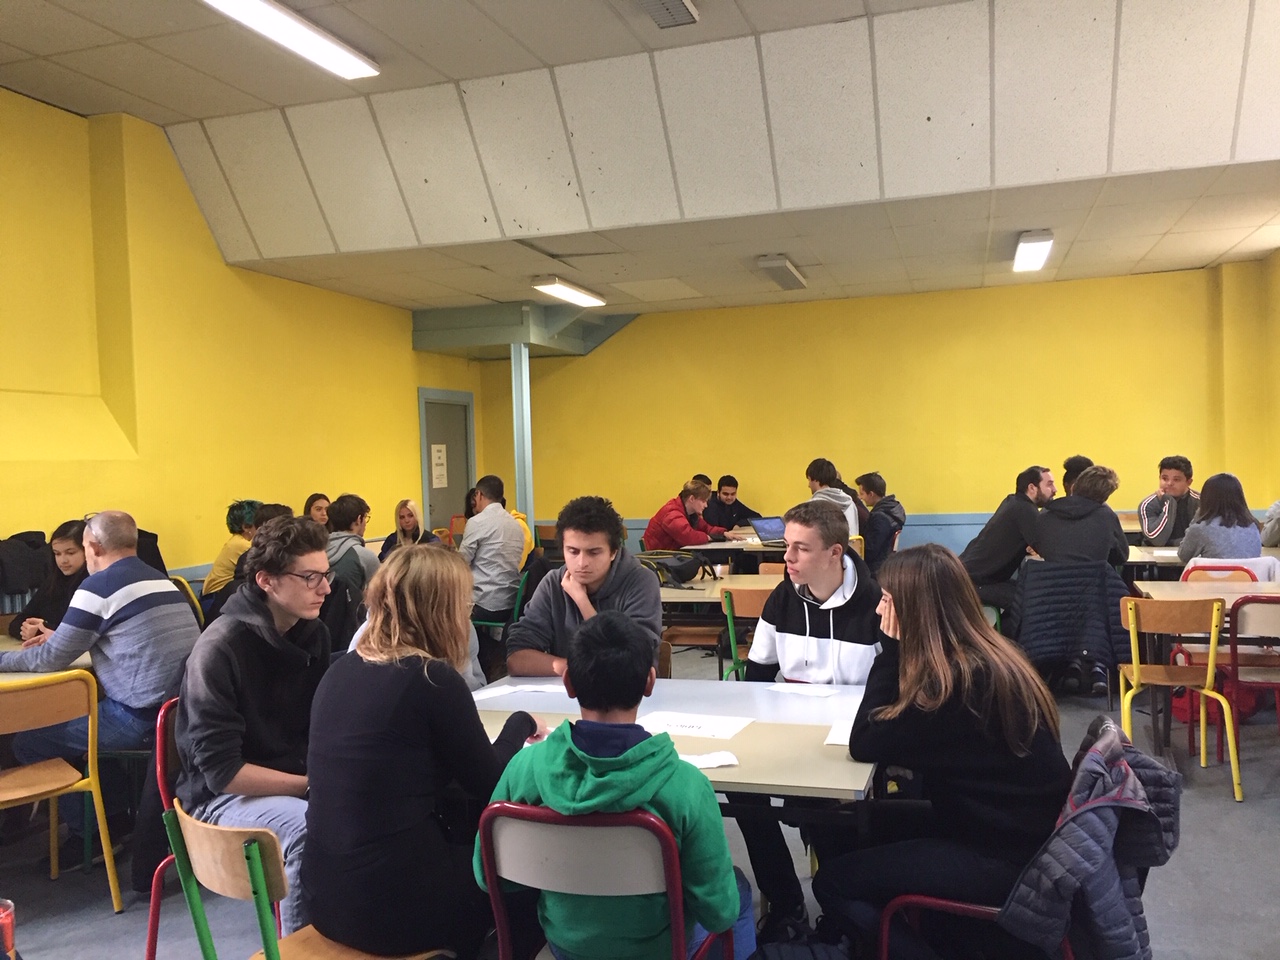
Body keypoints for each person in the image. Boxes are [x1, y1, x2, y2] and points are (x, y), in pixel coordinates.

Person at [812, 544, 1072, 960]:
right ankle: (874, 935)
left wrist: (891, 650)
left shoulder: (957, 687)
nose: (879, 612)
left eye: (886, 602)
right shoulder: (987, 655)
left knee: (833, 882)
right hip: (1013, 830)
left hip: (1001, 857)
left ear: (913, 612)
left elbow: (866, 740)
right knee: (839, 824)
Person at [476, 610, 755, 960]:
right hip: (660, 949)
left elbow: (488, 876)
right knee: (740, 893)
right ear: (650, 682)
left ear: (569, 684)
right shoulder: (687, 786)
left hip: (568, 944)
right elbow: (719, 912)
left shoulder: (524, 768)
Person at [305, 546, 540, 958]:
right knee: (530, 880)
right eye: (464, 603)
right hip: (393, 907)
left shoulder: (339, 669)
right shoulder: (432, 679)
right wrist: (521, 724)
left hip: (324, 896)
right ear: (443, 610)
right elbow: (492, 785)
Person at [0, 511, 199, 860]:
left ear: (91, 546)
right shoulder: (162, 581)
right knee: (84, 728)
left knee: (30, 741)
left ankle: (86, 836)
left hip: (140, 719)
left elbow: (48, 660)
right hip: (181, 715)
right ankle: (116, 820)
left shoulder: (99, 586)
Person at [175, 516, 333, 936]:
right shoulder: (219, 648)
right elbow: (222, 773)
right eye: (310, 577)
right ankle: (301, 948)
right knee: (309, 830)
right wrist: (309, 784)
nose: (326, 588)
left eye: (326, 574)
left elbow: (318, 726)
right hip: (220, 799)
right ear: (266, 581)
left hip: (293, 781)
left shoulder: (312, 633)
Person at [733, 500, 882, 943]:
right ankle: (784, 901)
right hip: (794, 733)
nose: (787, 558)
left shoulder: (875, 603)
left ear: (835, 553)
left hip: (856, 740)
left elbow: (893, 691)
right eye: (787, 547)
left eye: (801, 549)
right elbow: (757, 675)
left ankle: (842, 910)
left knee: (830, 809)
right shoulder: (783, 597)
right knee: (743, 793)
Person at [507, 496, 662, 677]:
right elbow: (516, 658)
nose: (581, 563)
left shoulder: (641, 582)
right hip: (569, 695)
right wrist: (575, 670)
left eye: (593, 552)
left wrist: (582, 601)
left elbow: (632, 662)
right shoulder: (552, 584)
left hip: (630, 698)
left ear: (613, 552)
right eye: (572, 551)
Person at [959, 466, 1055, 613]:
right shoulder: (1025, 510)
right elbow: (1047, 548)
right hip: (975, 583)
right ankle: (1003, 635)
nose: (1054, 489)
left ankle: (1003, 634)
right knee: (1032, 602)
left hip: (967, 577)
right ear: (1032, 488)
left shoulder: (1013, 502)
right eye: (1049, 484)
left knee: (1026, 593)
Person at [458, 474, 526, 625]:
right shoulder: (517, 525)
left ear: (478, 494)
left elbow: (460, 563)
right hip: (511, 605)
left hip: (483, 604)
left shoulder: (477, 522)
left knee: (442, 609)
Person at [7, 519, 88, 642]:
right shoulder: (53, 581)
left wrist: (44, 629)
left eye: (70, 553)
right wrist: (27, 629)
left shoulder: (93, 583)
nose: (63, 560)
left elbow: (84, 630)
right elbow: (18, 622)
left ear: (87, 551)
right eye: (57, 554)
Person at [1034, 465, 1129, 567]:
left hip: (1052, 580)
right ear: (1104, 498)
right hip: (1093, 580)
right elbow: (1121, 557)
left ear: (1073, 487)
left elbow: (1041, 549)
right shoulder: (1107, 517)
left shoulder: (1046, 516)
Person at [1177, 473, 1263, 562]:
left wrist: (1198, 516)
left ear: (1206, 498)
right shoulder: (1253, 526)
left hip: (1214, 575)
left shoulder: (1201, 529)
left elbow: (1183, 555)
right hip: (1249, 575)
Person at [644, 479, 746, 551]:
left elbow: (706, 528)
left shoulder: (689, 513)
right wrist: (712, 537)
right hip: (660, 558)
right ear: (692, 499)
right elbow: (689, 537)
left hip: (671, 555)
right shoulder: (672, 513)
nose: (706, 505)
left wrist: (723, 533)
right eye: (703, 501)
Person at [203, 499, 262, 597]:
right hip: (217, 598)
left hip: (217, 595)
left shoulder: (236, 541)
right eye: (260, 524)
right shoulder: (242, 545)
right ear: (246, 527)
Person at [1138, 456, 1199, 546]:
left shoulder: (1201, 503)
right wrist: (1169, 503)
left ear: (1189, 482)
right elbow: (1157, 540)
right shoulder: (1147, 504)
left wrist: (1173, 543)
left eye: (1176, 480)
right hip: (1154, 556)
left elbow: (1204, 538)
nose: (1169, 483)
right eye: (1165, 478)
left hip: (1191, 555)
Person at [325, 493, 380, 593]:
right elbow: (379, 594)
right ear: (359, 520)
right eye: (365, 518)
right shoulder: (365, 557)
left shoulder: (319, 550)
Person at [855, 472, 906, 573]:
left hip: (876, 569)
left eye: (862, 494)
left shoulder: (880, 517)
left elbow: (870, 551)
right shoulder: (892, 510)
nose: (860, 498)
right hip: (887, 562)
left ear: (871, 494)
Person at [806, 458, 860, 536]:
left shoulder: (812, 506)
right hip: (851, 547)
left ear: (815, 480)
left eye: (809, 480)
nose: (808, 485)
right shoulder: (850, 502)